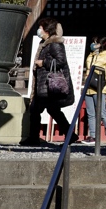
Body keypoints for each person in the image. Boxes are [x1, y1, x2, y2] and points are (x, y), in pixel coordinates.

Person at [22, 16, 76, 146]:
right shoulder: (45, 44)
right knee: (50, 110)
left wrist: (43, 63)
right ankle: (70, 135)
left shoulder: (54, 44)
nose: (39, 30)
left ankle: (34, 138)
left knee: (37, 110)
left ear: (47, 30)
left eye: (41, 28)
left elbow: (60, 61)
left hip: (49, 85)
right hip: (44, 85)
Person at [83, 36, 106, 144]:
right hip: (88, 86)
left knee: (101, 112)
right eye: (93, 43)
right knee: (90, 113)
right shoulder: (91, 54)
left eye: (96, 43)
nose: (93, 45)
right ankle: (92, 136)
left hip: (100, 86)